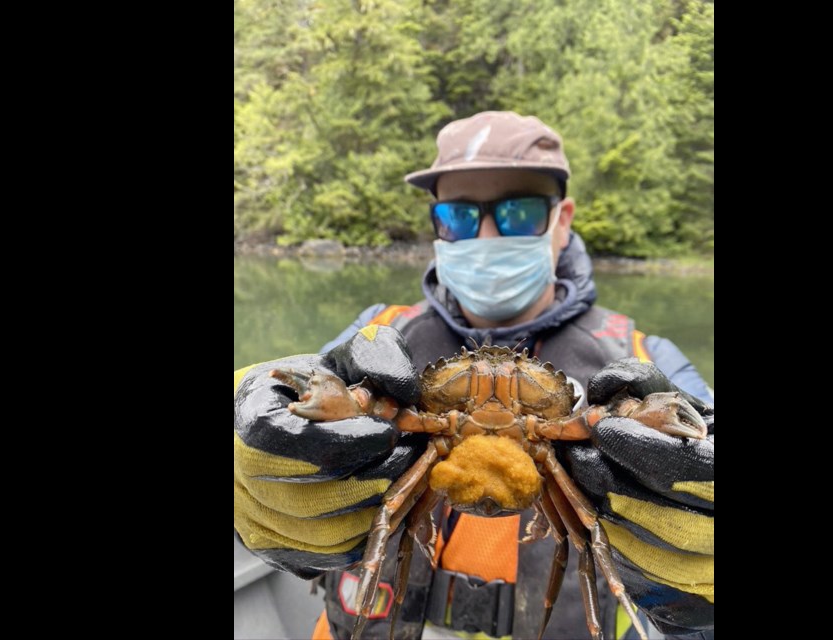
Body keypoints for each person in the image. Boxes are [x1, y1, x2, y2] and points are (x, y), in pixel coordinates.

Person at [234, 111, 714, 640]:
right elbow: (285, 403)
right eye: (459, 216)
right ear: (437, 226)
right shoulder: (376, 336)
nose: (486, 234)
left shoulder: (645, 361)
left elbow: (701, 447)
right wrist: (254, 441)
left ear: (563, 218)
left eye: (517, 211)